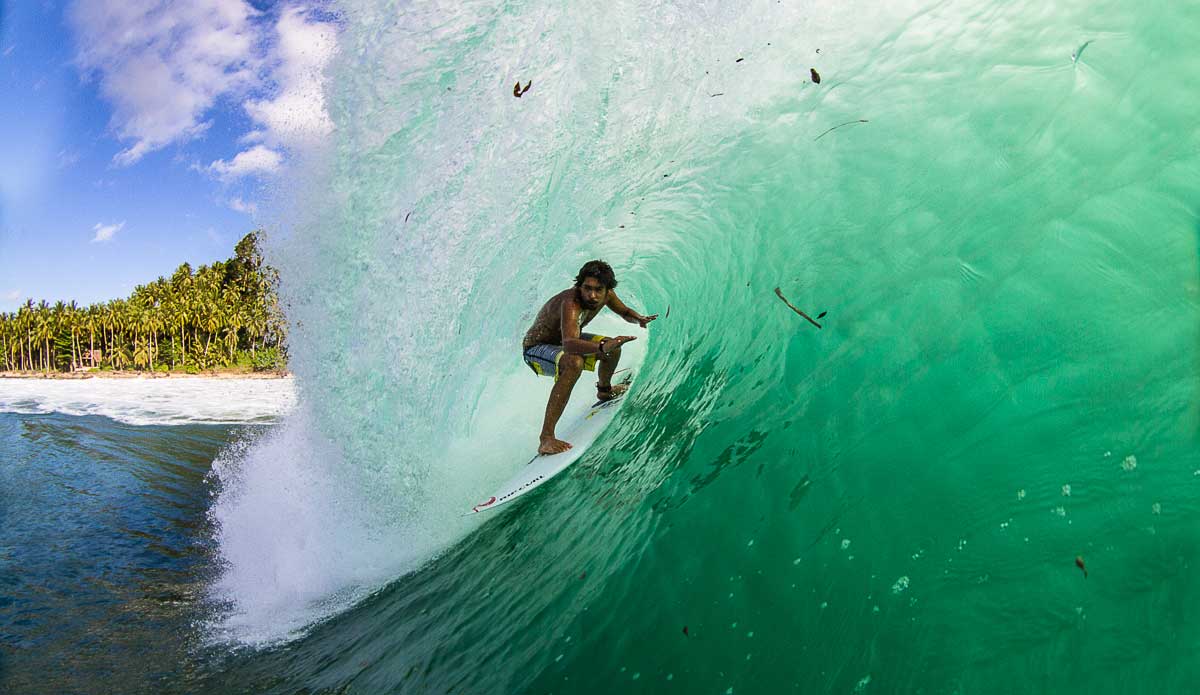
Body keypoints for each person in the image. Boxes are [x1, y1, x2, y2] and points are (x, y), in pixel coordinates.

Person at [522, 260, 657, 454]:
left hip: (563, 341)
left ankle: (605, 390)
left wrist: (638, 318)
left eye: (598, 290)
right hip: (536, 348)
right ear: (579, 286)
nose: (592, 295)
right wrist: (602, 347)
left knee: (612, 348)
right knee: (574, 362)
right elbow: (569, 343)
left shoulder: (607, 296)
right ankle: (546, 438)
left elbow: (624, 311)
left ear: (607, 289)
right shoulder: (571, 302)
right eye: (587, 288)